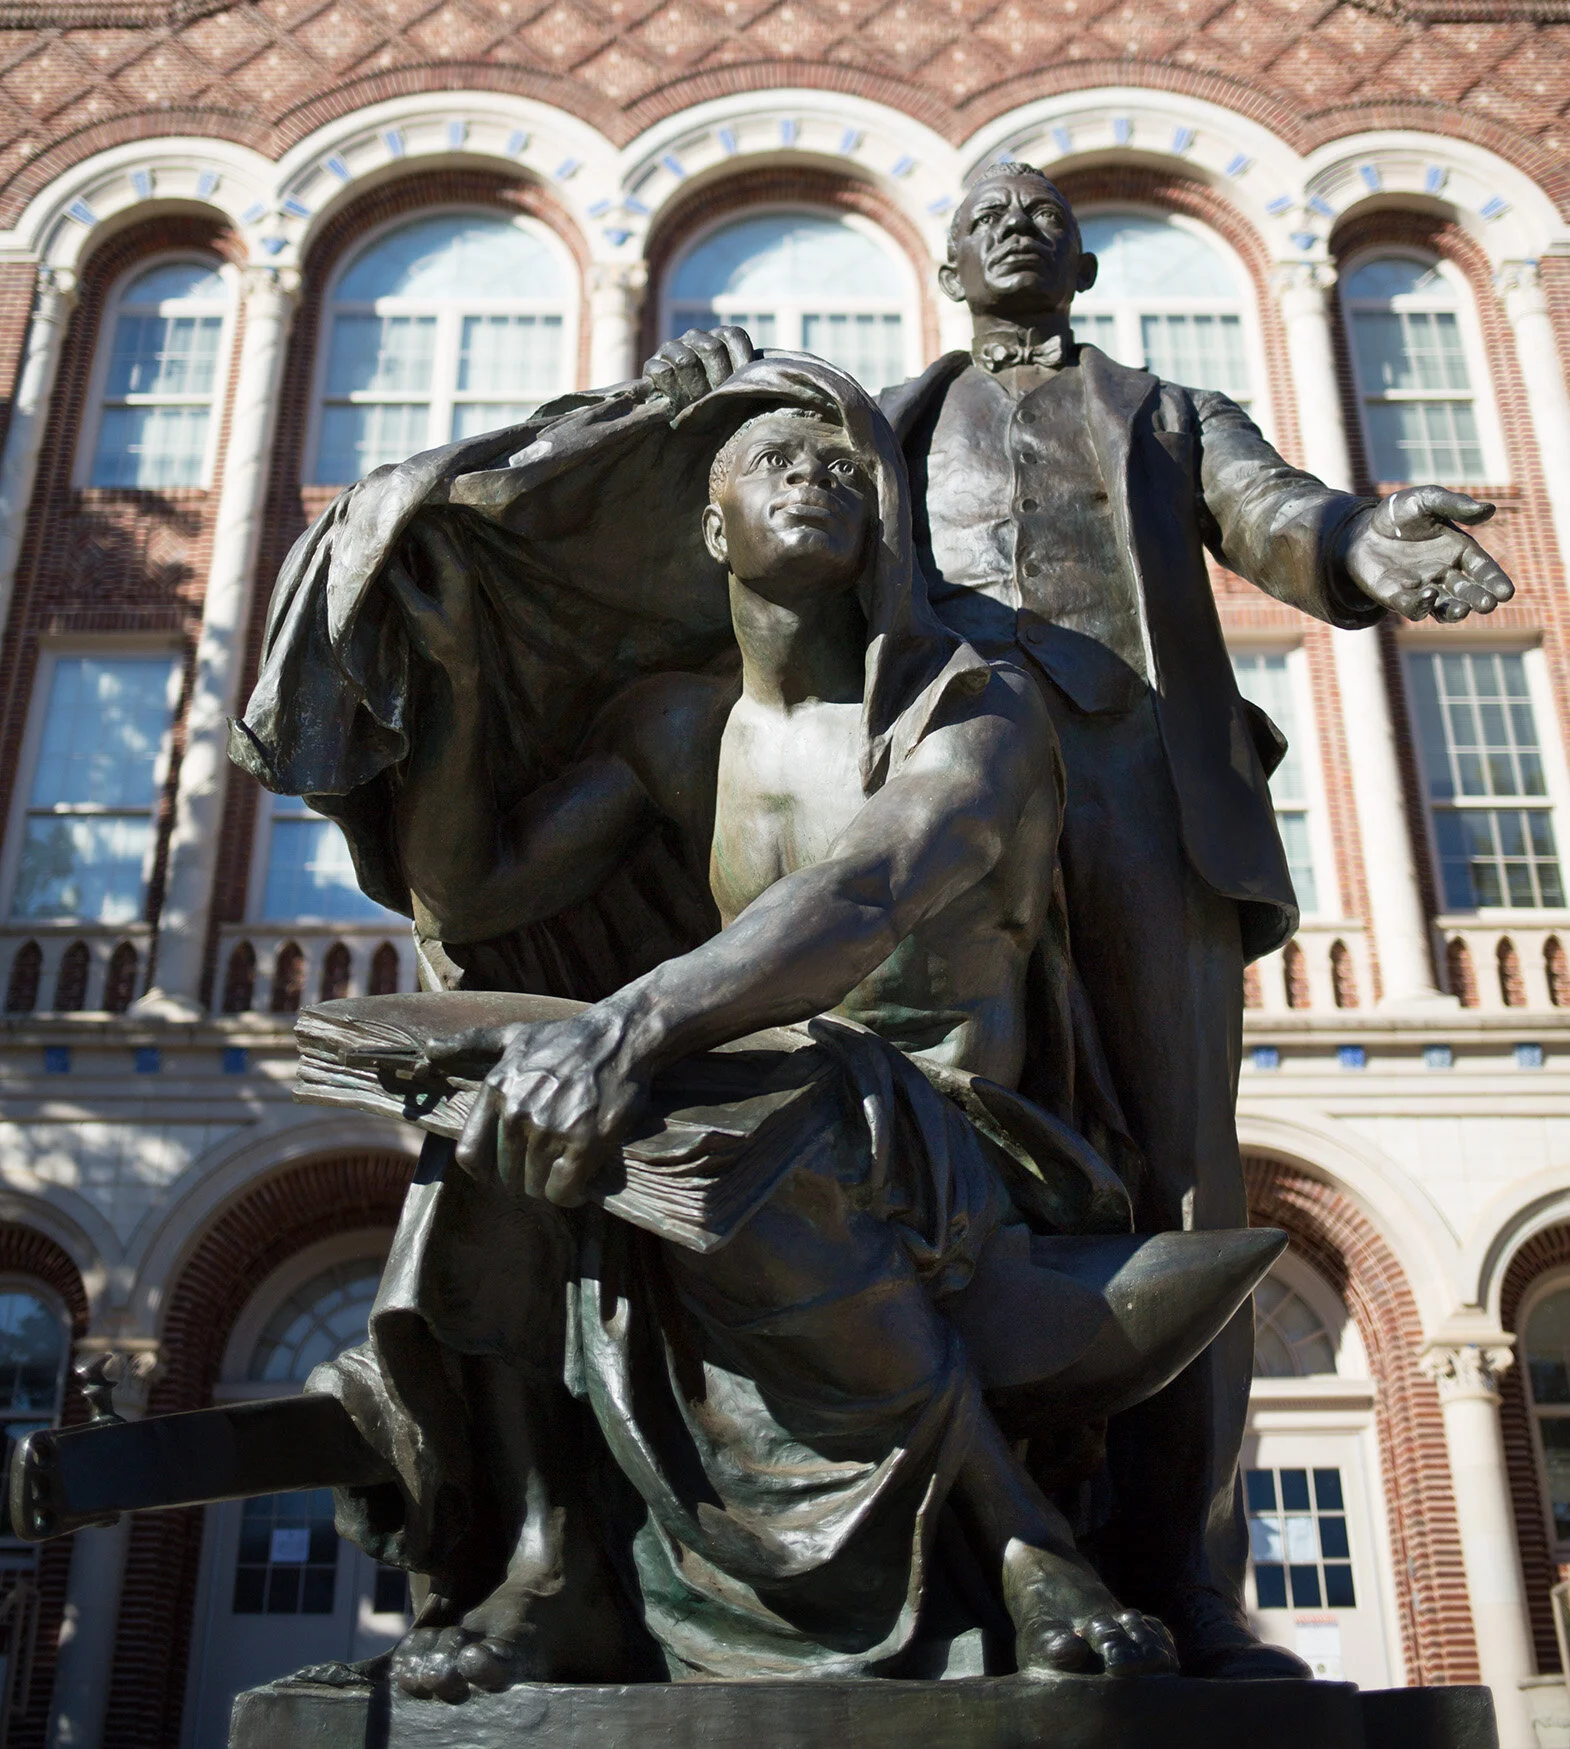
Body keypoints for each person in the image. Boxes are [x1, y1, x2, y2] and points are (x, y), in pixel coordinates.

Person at [237, 355, 1273, 1700]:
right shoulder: (677, 728)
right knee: (495, 1118)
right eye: (772, 463)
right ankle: (553, 1559)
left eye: (841, 466)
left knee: (768, 1120)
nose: (812, 478)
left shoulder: (971, 711)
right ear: (711, 531)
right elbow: (478, 895)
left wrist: (628, 1028)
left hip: (966, 1135)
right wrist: (460, 686)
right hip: (756, 1100)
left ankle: (1020, 1534)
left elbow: (872, 889)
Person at [645, 171, 1514, 1681]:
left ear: (1086, 266)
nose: (1016, 227)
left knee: (1177, 1181)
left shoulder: (1166, 413)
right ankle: (961, 1551)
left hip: (1133, 803)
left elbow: (1281, 519)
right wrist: (680, 409)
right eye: (988, 215)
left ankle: (1178, 1570)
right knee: (928, 1155)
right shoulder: (888, 428)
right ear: (946, 266)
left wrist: (1372, 546)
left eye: (1045, 214)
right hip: (942, 798)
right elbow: (742, 543)